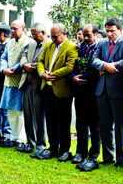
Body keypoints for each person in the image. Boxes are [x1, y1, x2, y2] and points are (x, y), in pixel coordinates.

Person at [92, 17, 123, 168]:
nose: (110, 34)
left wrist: (111, 66)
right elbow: (94, 59)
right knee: (104, 125)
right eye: (107, 31)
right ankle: (107, 156)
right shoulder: (102, 42)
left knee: (121, 126)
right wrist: (105, 65)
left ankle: (121, 159)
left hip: (120, 90)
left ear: (120, 30)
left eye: (113, 31)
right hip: (102, 89)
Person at [35, 24, 79, 161]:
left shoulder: (72, 47)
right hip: (47, 88)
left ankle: (64, 150)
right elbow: (40, 61)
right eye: (52, 36)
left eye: (56, 36)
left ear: (64, 34)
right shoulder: (49, 46)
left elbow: (69, 67)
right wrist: (42, 74)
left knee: (64, 121)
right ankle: (52, 147)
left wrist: (52, 74)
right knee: (50, 119)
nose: (53, 39)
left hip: (62, 90)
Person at [71, 24, 102, 171]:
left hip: (93, 89)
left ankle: (94, 154)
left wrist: (82, 77)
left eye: (89, 35)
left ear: (96, 34)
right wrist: (73, 77)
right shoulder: (80, 47)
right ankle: (80, 152)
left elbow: (95, 68)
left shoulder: (99, 47)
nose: (86, 38)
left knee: (94, 124)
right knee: (80, 122)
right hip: (79, 90)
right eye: (84, 35)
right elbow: (73, 65)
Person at [20, 22, 50, 153]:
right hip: (26, 82)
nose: (33, 37)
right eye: (31, 34)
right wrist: (24, 65)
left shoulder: (49, 44)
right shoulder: (32, 43)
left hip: (39, 84)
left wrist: (35, 67)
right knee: (27, 115)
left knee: (39, 115)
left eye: (35, 35)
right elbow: (23, 55)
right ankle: (30, 142)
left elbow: (46, 62)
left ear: (43, 33)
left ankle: (40, 144)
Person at [0, 20, 31, 148]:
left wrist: (13, 69)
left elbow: (25, 59)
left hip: (20, 80)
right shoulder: (9, 42)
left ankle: (21, 138)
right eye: (11, 28)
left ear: (23, 29)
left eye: (15, 28)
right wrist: (4, 69)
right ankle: (13, 136)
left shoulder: (29, 42)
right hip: (8, 79)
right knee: (11, 110)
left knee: (20, 112)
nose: (12, 31)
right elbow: (4, 57)